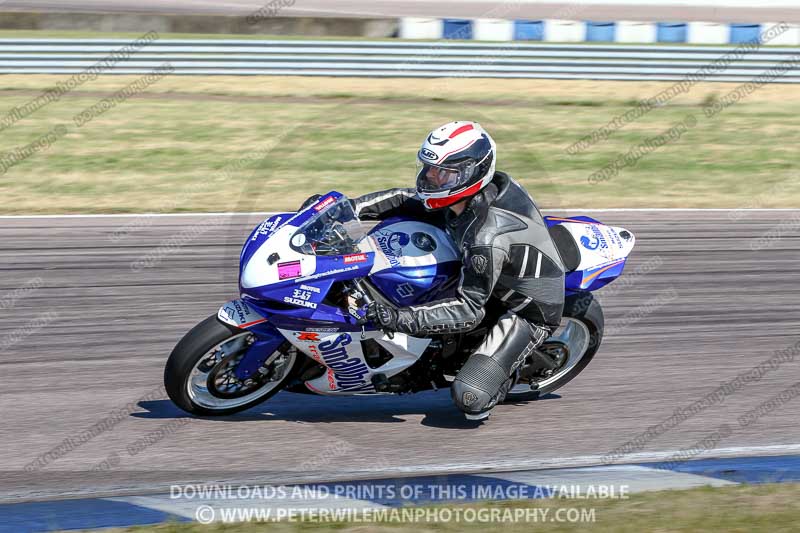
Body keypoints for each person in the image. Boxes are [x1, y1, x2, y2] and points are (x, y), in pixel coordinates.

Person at [325, 121, 565, 420]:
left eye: (445, 173)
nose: (431, 178)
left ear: (473, 172)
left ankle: (504, 374)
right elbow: (406, 198)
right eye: (429, 168)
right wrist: (346, 209)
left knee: (470, 399)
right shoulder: (466, 197)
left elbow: (468, 311)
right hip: (489, 267)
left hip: (523, 309)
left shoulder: (485, 239)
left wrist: (398, 319)